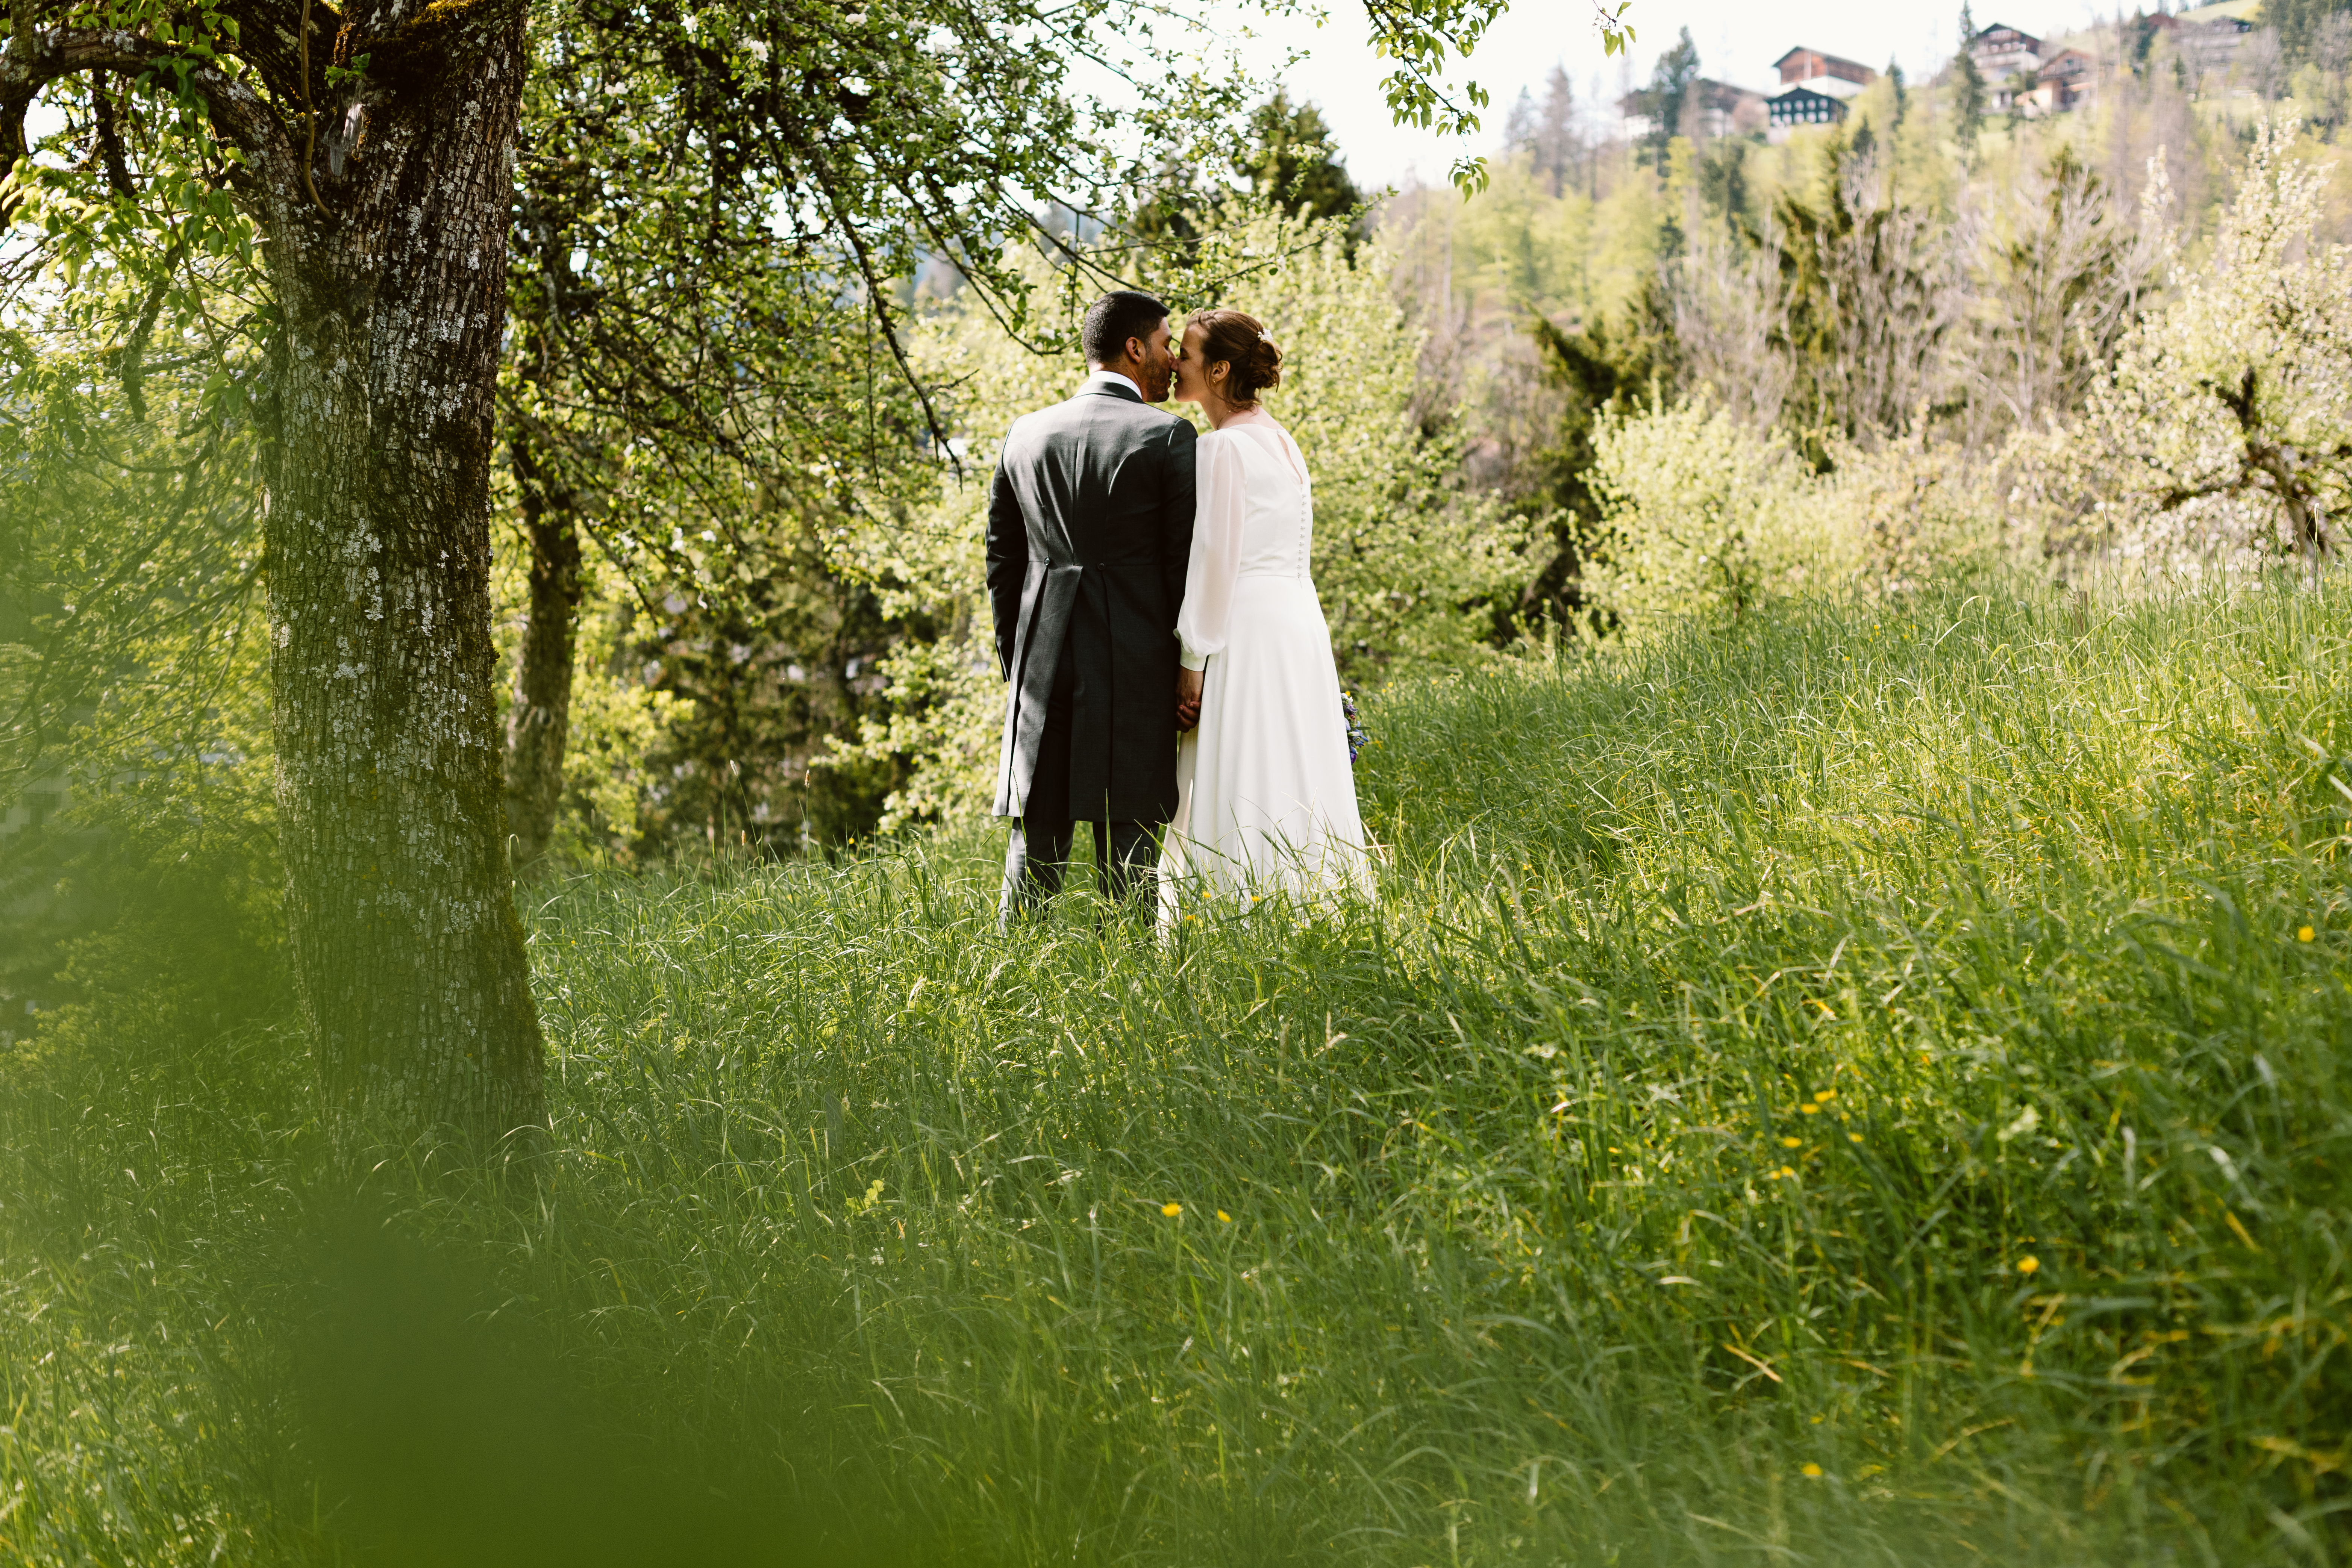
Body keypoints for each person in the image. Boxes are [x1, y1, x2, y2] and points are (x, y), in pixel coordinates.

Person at [986, 290, 1199, 924]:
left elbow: (1003, 564)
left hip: (1043, 671)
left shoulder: (1023, 434)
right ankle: (1136, 1001)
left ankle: (1008, 990)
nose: (1172, 360)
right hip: (1136, 671)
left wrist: (1018, 665)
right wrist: (1190, 670)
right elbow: (1182, 567)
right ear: (1134, 348)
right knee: (1132, 861)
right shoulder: (1168, 437)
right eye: (1166, 345)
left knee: (1033, 855)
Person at [1159, 308, 1369, 914]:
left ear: (1219, 370)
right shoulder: (1281, 439)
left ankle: (1235, 910)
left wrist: (1191, 660)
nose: (1175, 362)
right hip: (1296, 624)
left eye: (1189, 355)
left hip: (1244, 632)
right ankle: (1306, 899)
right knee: (1289, 763)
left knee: (1239, 767)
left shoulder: (1221, 448)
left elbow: (1215, 561)